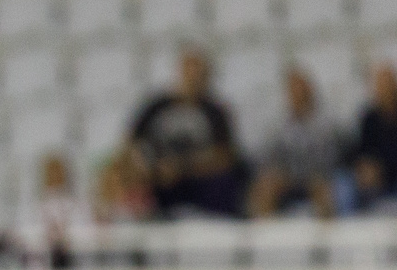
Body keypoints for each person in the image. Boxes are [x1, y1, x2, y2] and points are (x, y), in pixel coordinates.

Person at [128, 49, 246, 218]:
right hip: (158, 179)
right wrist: (154, 168)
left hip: (200, 180)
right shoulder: (156, 108)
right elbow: (132, 145)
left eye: (199, 74)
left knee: (225, 183)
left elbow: (225, 156)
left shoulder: (214, 112)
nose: (193, 79)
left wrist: (183, 168)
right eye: (189, 72)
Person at [248, 67, 341, 219]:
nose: (298, 96)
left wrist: (300, 176)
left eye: (302, 91)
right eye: (293, 91)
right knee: (264, 188)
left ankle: (325, 239)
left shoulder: (326, 125)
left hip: (315, 179)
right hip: (284, 181)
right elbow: (267, 157)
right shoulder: (278, 125)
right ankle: (266, 237)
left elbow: (328, 160)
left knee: (324, 190)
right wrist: (279, 175)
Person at [352, 63, 397, 212]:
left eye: (387, 84)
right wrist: (365, 168)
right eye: (379, 85)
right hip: (378, 182)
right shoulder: (369, 118)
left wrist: (382, 168)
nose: (383, 90)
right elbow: (363, 151)